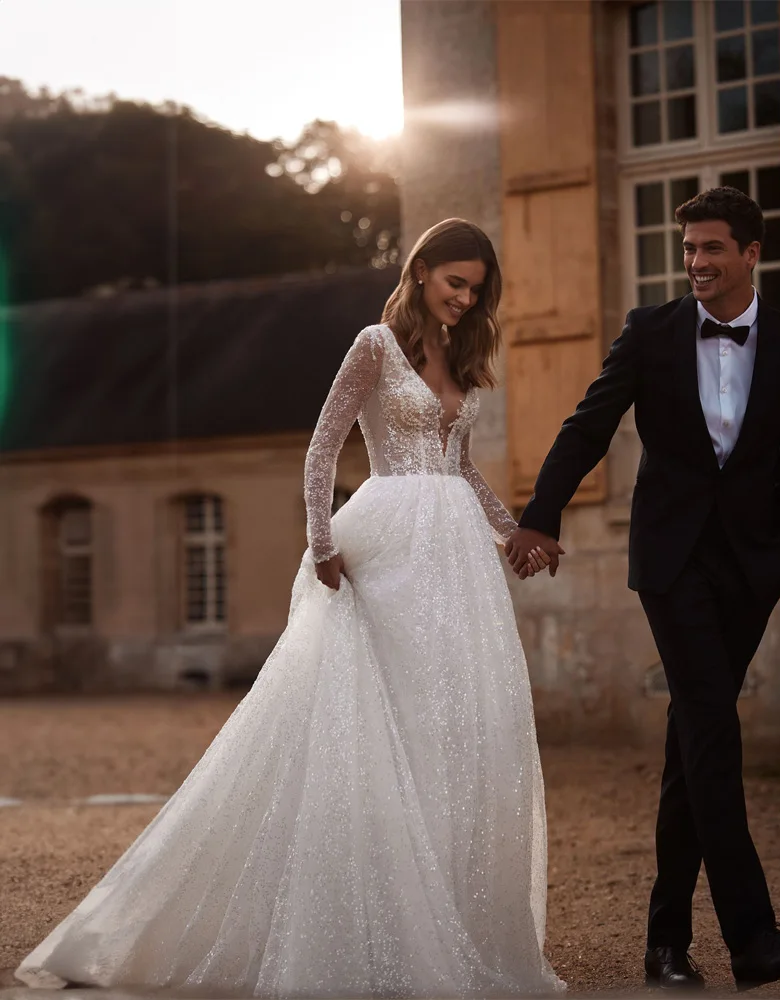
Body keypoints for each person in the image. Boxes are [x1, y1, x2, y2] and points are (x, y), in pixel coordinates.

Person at [16, 218, 565, 998]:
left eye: (476, 289)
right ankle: (370, 925)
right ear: (421, 274)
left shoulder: (468, 353)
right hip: (387, 549)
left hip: (454, 563)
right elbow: (321, 447)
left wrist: (519, 533)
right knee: (383, 728)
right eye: (455, 284)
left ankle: (439, 918)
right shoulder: (375, 344)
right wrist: (321, 542)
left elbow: (461, 467)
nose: (465, 299)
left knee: (453, 730)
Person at [505, 188, 780, 992]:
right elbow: (588, 424)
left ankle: (666, 944)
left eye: (712, 248)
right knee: (713, 728)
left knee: (693, 740)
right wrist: (541, 515)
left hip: (752, 567)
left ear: (752, 253)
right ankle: (753, 937)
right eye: (688, 249)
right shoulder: (649, 334)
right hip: (672, 561)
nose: (695, 262)